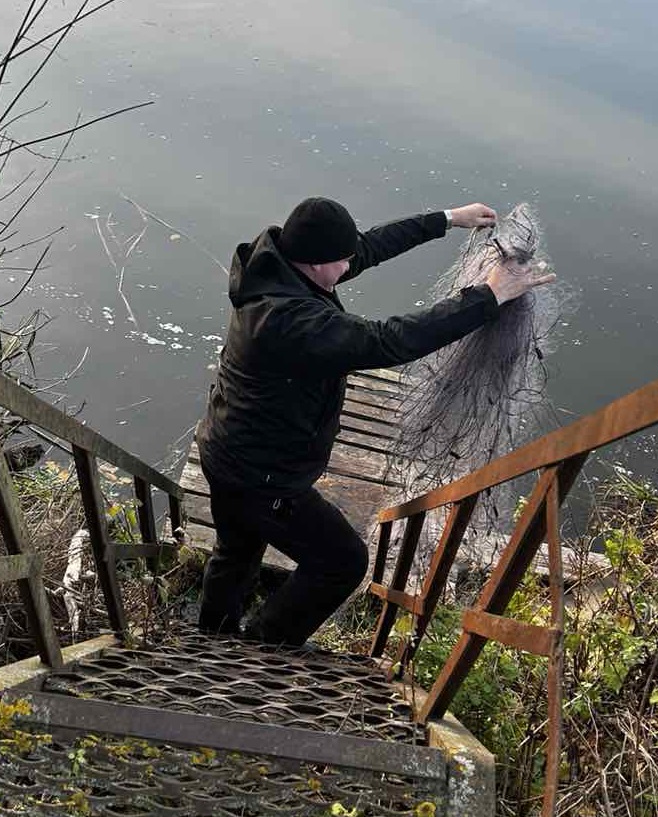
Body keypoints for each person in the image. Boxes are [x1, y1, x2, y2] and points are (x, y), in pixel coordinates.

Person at [194, 197, 556, 646]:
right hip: (261, 476)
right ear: (314, 261)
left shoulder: (279, 263)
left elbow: (365, 247)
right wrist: (489, 296)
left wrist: (446, 220)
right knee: (341, 562)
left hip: (227, 447)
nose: (350, 263)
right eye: (341, 260)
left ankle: (212, 636)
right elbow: (387, 341)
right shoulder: (287, 321)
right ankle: (263, 646)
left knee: (237, 549)